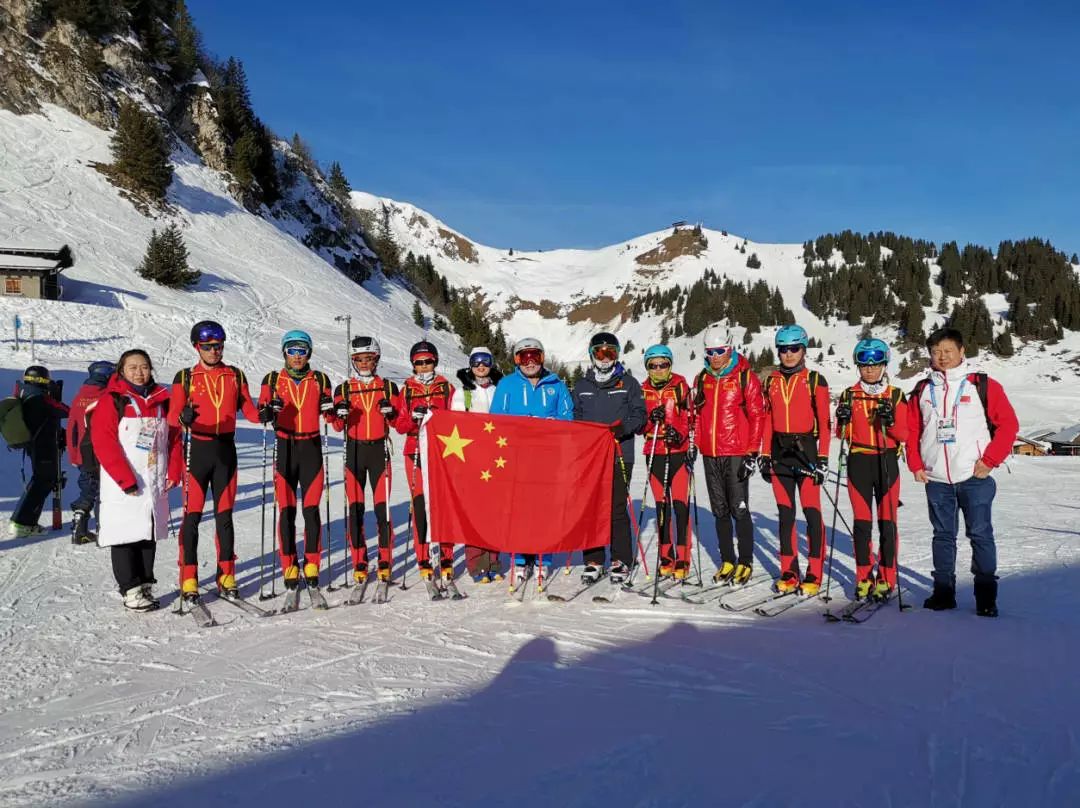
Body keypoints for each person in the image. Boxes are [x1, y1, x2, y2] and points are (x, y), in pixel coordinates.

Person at [904, 327, 1018, 617]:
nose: (942, 357)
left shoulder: (982, 385)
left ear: (961, 351)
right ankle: (943, 593)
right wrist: (915, 464)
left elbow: (1008, 425)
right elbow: (912, 431)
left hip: (974, 477)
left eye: (948, 351)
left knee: (980, 535)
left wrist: (990, 460)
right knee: (942, 536)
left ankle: (986, 597)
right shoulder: (922, 389)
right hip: (937, 479)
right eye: (936, 352)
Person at [168, 320, 260, 600]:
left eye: (218, 346)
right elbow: (174, 417)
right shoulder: (185, 377)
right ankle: (188, 578)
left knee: (225, 518)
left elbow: (250, 411)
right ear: (197, 347)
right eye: (208, 347)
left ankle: (227, 575)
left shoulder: (235, 375)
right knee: (192, 517)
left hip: (225, 452)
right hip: (197, 450)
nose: (214, 351)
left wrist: (268, 416)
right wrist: (184, 417)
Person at [90, 350, 182, 611]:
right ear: (121, 371)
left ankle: (144, 583)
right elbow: (103, 442)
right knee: (124, 535)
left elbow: (174, 439)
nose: (139, 373)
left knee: (147, 533)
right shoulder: (113, 400)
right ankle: (130, 588)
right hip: (125, 482)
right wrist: (125, 479)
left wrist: (174, 470)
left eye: (143, 367)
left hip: (153, 479)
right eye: (132, 368)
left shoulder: (162, 400)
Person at [258, 330, 335, 593]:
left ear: (309, 353)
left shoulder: (321, 379)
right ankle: (289, 564)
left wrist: (332, 408)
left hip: (311, 447)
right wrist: (266, 411)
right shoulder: (271, 379)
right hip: (285, 446)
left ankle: (312, 562)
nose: (297, 356)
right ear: (284, 353)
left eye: (302, 350)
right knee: (286, 511)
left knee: (311, 510)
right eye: (292, 350)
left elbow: (333, 419)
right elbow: (261, 411)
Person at [490, 336, 574, 575]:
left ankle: (542, 559)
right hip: (516, 457)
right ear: (517, 360)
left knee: (543, 509)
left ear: (542, 358)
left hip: (547, 457)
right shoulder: (507, 385)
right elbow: (496, 419)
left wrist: (551, 423)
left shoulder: (556, 384)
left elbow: (568, 416)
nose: (529, 362)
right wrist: (518, 426)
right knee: (518, 508)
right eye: (523, 357)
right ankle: (518, 559)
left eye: (534, 356)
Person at [759, 324, 831, 595]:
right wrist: (764, 454)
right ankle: (789, 572)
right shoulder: (771, 380)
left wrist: (823, 459)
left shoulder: (815, 380)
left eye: (794, 349)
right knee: (785, 515)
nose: (788, 354)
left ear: (803, 350)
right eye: (783, 349)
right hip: (779, 453)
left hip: (807, 452)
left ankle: (814, 572)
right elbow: (767, 420)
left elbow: (825, 423)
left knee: (812, 513)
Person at [834, 338, 909, 600]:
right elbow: (841, 434)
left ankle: (887, 578)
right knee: (862, 525)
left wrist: (889, 422)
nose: (870, 370)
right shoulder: (849, 394)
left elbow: (905, 434)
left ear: (884, 365)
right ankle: (864, 576)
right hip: (859, 461)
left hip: (886, 460)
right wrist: (841, 419)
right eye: (865, 365)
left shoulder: (896, 394)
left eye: (875, 365)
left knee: (887, 524)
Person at [689, 326, 765, 585]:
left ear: (730, 348)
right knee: (719, 510)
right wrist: (695, 444)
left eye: (720, 351)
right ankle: (728, 561)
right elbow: (697, 416)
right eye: (710, 352)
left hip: (736, 452)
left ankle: (745, 562)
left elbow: (757, 416)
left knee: (739, 509)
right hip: (710, 454)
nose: (716, 357)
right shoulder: (702, 379)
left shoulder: (745, 377)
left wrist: (753, 452)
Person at [571, 332, 645, 584]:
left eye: (610, 353)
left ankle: (620, 558)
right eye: (600, 353)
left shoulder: (628, 383)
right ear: (592, 355)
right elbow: (575, 418)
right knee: (590, 508)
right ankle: (593, 560)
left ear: (617, 355)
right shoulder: (582, 386)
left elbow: (639, 415)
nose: (605, 358)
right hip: (590, 458)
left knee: (615, 508)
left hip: (619, 454)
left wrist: (623, 428)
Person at [331, 336, 400, 585]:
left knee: (383, 511)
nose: (363, 363)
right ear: (352, 361)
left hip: (379, 451)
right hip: (354, 452)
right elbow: (337, 425)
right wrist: (338, 413)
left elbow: (399, 424)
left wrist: (392, 413)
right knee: (356, 510)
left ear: (376, 359)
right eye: (358, 359)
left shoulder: (389, 388)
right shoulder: (344, 389)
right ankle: (359, 561)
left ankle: (385, 560)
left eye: (368, 358)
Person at [394, 340, 456, 581]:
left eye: (428, 361)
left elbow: (456, 418)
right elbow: (399, 426)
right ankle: (424, 557)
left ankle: (446, 555)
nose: (424, 366)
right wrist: (412, 418)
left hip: (441, 452)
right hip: (415, 451)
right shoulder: (407, 390)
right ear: (413, 365)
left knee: (442, 504)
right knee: (420, 505)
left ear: (435, 362)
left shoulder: (446, 388)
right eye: (419, 363)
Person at [638, 344, 693, 579]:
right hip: (654, 453)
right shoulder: (642, 391)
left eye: (664, 365)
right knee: (662, 509)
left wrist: (680, 434)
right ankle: (666, 556)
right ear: (648, 367)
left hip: (677, 453)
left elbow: (692, 418)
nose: (659, 369)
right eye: (654, 365)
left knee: (680, 507)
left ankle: (683, 557)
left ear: (670, 365)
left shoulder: (680, 386)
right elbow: (639, 427)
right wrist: (650, 419)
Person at [450, 346, 504, 582]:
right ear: (470, 365)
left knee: (495, 511)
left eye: (485, 361)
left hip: (496, 457)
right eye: (476, 362)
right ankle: (476, 564)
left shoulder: (499, 389)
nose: (481, 366)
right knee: (474, 512)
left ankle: (493, 560)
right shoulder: (464, 392)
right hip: (473, 458)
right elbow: (455, 422)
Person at [10, 366, 68, 538]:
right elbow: (65, 410)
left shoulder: (23, 391)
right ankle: (22, 523)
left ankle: (22, 521)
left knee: (40, 480)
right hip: (43, 444)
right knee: (43, 482)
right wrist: (53, 393)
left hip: (34, 443)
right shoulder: (40, 397)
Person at [67, 360, 115, 544]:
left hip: (82, 454)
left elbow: (72, 428)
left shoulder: (80, 397)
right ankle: (102, 530)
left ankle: (81, 528)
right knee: (102, 492)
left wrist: (73, 455)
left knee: (88, 488)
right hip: (102, 454)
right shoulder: (107, 397)